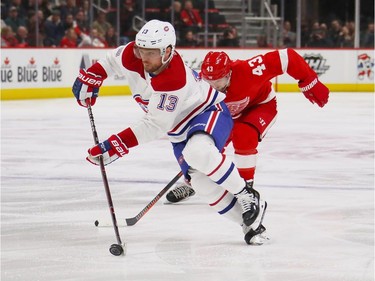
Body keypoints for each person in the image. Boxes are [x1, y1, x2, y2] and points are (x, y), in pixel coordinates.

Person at [72, 19, 268, 245]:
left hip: (207, 112)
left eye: (151, 53)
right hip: (178, 131)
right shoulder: (131, 55)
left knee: (197, 152)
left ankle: (246, 195)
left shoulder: (173, 79)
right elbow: (110, 61)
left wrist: (117, 143)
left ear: (167, 52)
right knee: (201, 184)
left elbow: (155, 125)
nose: (144, 57)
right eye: (141, 49)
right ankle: (250, 224)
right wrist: (94, 74)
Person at [166, 49, 330, 209]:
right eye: (209, 82)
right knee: (203, 146)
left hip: (259, 106)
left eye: (219, 81)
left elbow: (287, 57)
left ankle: (246, 190)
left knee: (244, 135)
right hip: (227, 115)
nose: (214, 87)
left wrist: (309, 80)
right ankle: (192, 183)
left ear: (229, 73)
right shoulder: (198, 86)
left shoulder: (248, 70)